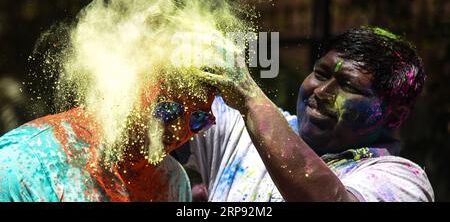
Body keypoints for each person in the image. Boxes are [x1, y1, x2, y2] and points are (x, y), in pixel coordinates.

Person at [188, 26, 434, 202]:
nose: (322, 90)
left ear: (393, 116)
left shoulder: (402, 182)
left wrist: (249, 96)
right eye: (321, 73)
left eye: (349, 86)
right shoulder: (239, 129)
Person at [0, 82, 216, 202]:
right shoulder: (20, 164)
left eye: (199, 119)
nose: (179, 130)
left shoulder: (172, 180)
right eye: (168, 110)